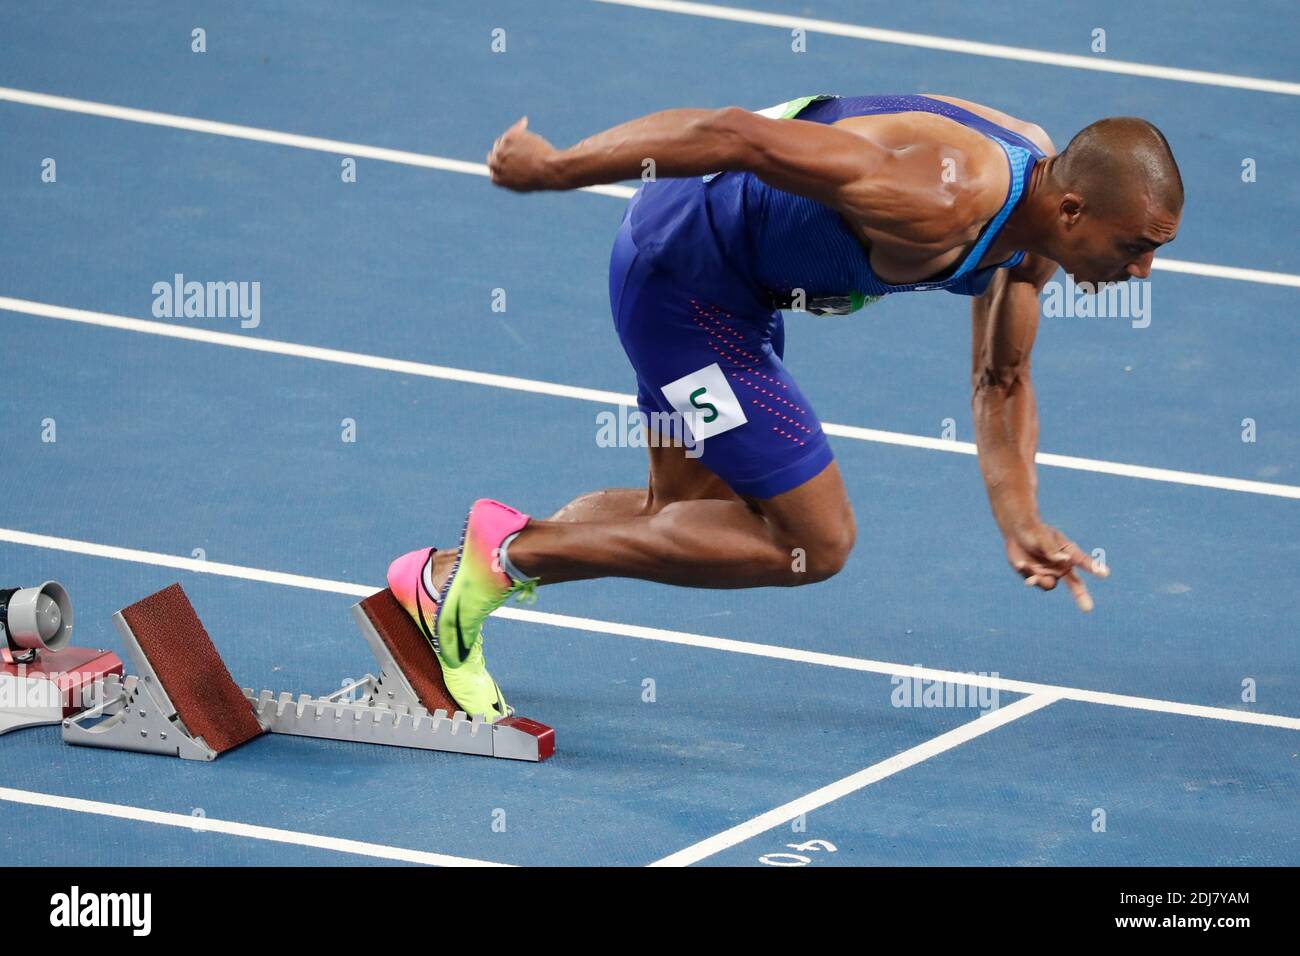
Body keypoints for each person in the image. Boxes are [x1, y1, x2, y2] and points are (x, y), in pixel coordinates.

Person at [388, 93, 1183, 719]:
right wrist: (558, 168)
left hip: (736, 286)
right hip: (683, 283)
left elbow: (1001, 379)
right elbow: (739, 134)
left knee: (686, 513)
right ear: (1074, 210)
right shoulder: (942, 193)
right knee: (813, 541)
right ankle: (503, 559)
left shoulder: (1037, 228)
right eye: (1135, 246)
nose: (1144, 272)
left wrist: (1021, 520)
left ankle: (454, 576)